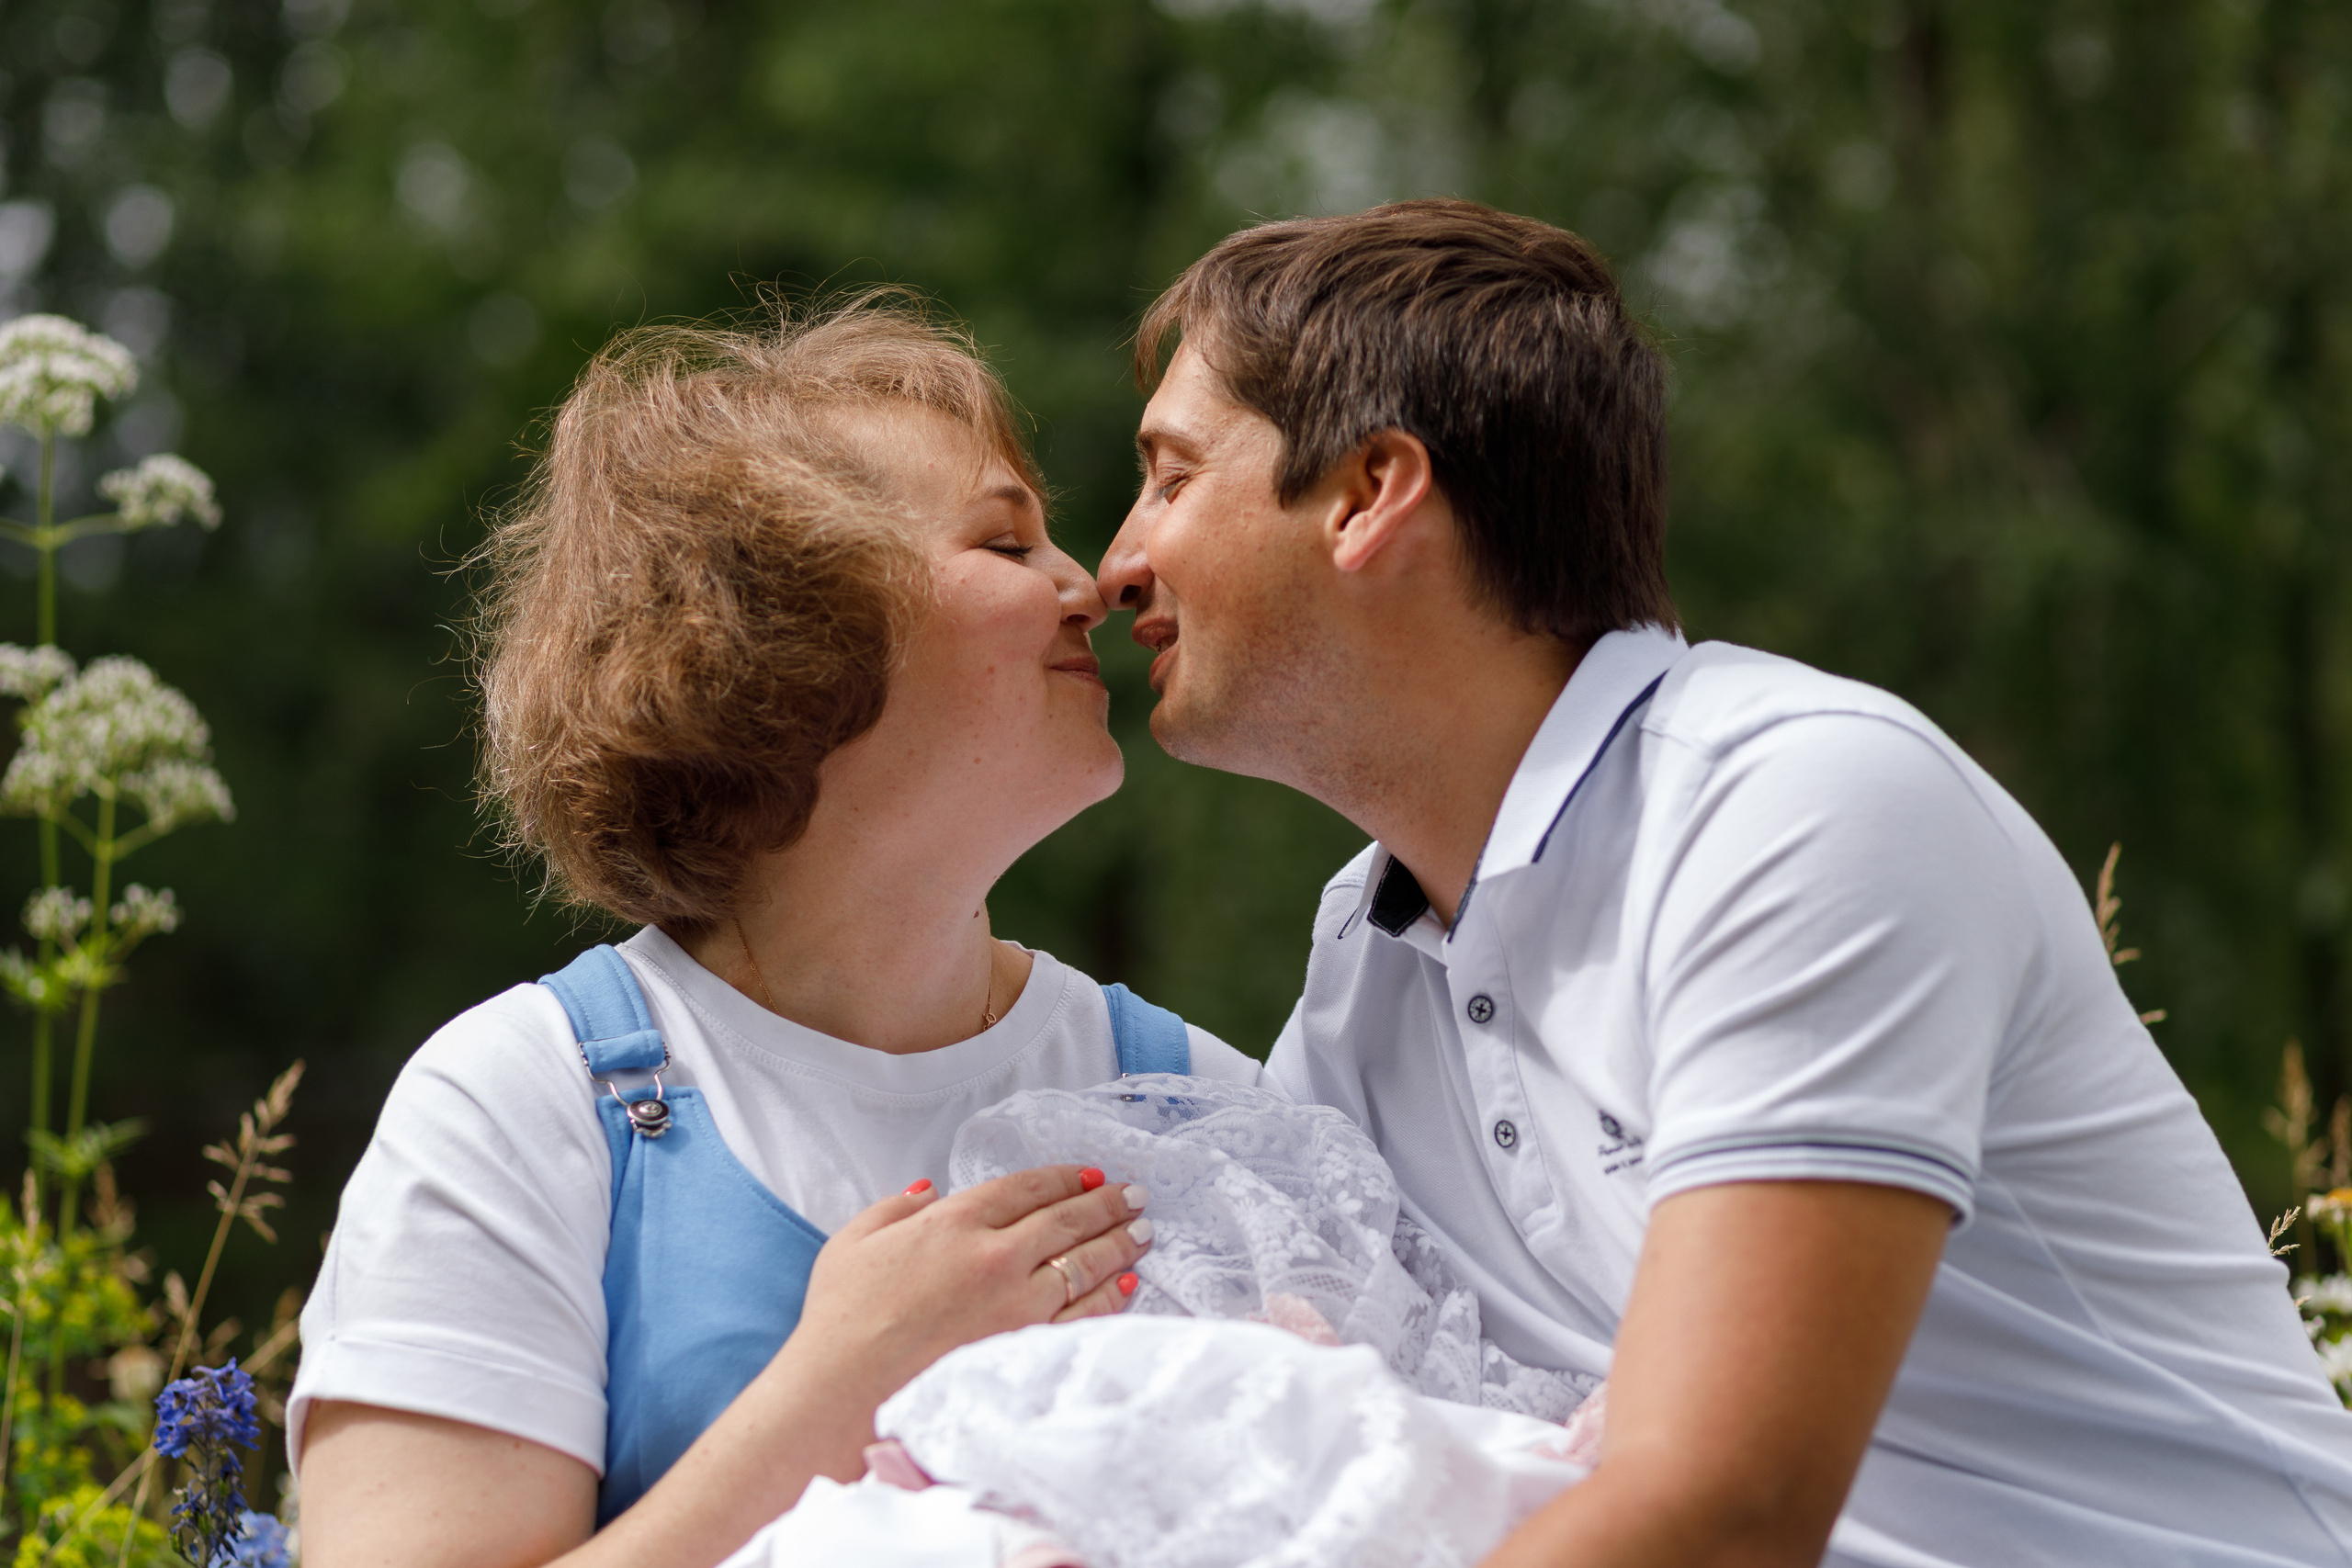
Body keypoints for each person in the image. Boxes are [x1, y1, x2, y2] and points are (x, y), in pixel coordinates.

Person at [1097, 198, 2352, 1568]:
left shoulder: (1795, 808)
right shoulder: (1368, 948)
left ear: (1366, 495)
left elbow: (1725, 1512)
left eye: (1171, 478)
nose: (1116, 566)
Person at [289, 295, 1274, 1568]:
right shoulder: (519, 1107)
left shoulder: (1200, 1102)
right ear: (778, 635)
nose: (1088, 586)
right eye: (1005, 542)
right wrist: (833, 1396)